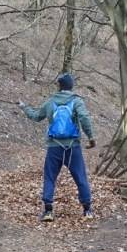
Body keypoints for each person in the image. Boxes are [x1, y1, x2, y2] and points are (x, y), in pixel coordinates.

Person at [20, 73, 95, 221]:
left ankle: (48, 211)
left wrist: (24, 107)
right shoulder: (77, 101)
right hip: (73, 147)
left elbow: (36, 116)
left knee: (49, 177)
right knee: (80, 177)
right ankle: (87, 210)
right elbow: (84, 118)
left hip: (54, 146)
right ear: (71, 85)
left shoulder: (50, 102)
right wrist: (91, 137)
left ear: (59, 86)